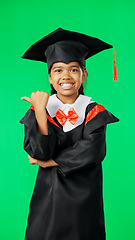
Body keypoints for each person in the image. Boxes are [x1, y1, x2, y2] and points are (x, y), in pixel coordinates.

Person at [20, 28, 119, 240]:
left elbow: (93, 150)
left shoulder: (94, 111)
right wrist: (39, 111)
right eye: (58, 70)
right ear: (50, 77)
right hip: (49, 194)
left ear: (84, 75)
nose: (66, 76)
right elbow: (40, 153)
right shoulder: (40, 110)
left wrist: (51, 163)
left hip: (85, 197)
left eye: (74, 70)